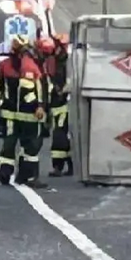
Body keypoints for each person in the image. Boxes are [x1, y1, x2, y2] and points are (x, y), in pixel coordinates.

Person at [0, 34, 49, 188]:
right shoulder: (31, 65)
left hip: (14, 113)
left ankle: (7, 173)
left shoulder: (6, 65)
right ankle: (27, 176)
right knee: (30, 145)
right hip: (28, 115)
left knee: (10, 143)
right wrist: (41, 106)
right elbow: (41, 87)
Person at [44, 34, 73, 176]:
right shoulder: (57, 61)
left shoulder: (66, 62)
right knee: (62, 134)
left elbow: (68, 82)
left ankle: (59, 166)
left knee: (59, 134)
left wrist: (60, 91)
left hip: (63, 104)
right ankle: (69, 164)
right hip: (59, 103)